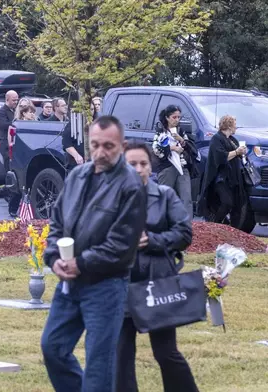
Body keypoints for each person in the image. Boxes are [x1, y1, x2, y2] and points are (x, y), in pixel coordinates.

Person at [41, 115, 147, 392]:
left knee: (99, 365)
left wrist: (81, 263)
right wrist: (53, 258)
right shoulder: (77, 176)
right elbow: (57, 224)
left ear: (122, 146)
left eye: (108, 146)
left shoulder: (131, 185)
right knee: (53, 348)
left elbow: (121, 246)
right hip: (69, 282)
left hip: (106, 285)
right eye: (95, 145)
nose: (100, 152)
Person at [117, 141, 198, 392]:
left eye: (143, 163)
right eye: (132, 164)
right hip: (120, 286)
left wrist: (151, 240)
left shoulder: (165, 195)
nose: (139, 169)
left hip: (157, 284)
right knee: (120, 356)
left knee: (165, 353)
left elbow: (184, 234)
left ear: (150, 166)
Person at [198, 115, 249, 225]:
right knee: (227, 202)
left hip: (233, 178)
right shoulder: (217, 139)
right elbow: (221, 157)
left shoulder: (232, 139)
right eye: (235, 125)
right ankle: (215, 224)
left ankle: (229, 228)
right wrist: (236, 152)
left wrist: (242, 152)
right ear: (229, 126)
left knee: (237, 204)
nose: (236, 128)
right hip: (220, 178)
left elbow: (237, 155)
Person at [152, 105, 196, 219]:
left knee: (186, 198)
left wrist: (180, 140)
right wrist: (172, 148)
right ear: (167, 117)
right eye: (174, 117)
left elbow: (190, 148)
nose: (177, 120)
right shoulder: (161, 131)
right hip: (167, 167)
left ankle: (187, 226)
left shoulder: (181, 131)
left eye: (178, 117)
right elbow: (156, 149)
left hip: (182, 167)